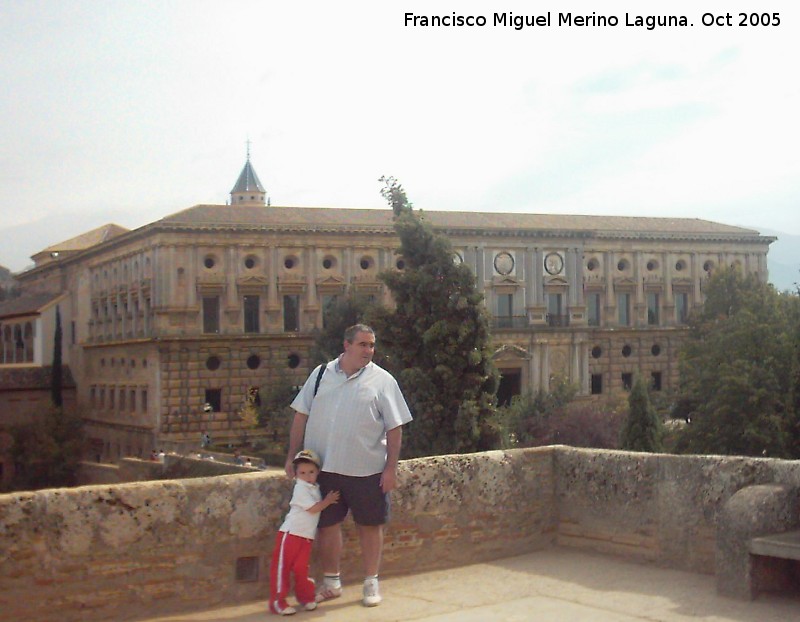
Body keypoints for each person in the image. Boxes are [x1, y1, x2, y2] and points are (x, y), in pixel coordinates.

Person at [285, 324, 413, 607]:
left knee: (370, 525)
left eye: (371, 345)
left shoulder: (383, 381)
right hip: (325, 469)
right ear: (347, 345)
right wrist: (291, 456)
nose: (368, 350)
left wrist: (391, 468)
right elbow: (300, 416)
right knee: (327, 526)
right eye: (363, 344)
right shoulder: (320, 375)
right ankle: (331, 583)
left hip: (366, 471)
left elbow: (395, 428)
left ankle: (371, 582)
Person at [270, 449, 340, 616]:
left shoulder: (314, 487)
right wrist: (328, 501)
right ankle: (277, 602)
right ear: (296, 474)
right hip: (291, 534)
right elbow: (313, 509)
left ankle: (306, 598)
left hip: (306, 537)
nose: (307, 476)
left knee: (302, 568)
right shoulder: (300, 488)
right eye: (302, 472)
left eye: (311, 472)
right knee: (282, 568)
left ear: (317, 472)